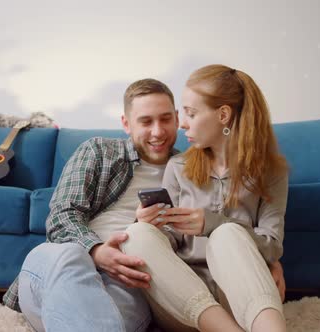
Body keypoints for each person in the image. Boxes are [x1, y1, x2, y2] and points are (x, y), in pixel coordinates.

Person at [3, 77, 286, 332]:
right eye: (146, 121)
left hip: (131, 283)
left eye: (166, 119)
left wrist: (262, 259)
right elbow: (61, 216)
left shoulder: (187, 166)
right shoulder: (100, 151)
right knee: (67, 257)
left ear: (177, 119)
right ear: (126, 124)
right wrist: (97, 251)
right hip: (70, 262)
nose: (157, 131)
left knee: (111, 302)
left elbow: (214, 241)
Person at [123, 65, 288, 332]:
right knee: (136, 233)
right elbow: (169, 242)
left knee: (227, 233)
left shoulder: (271, 172)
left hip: (241, 297)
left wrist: (213, 223)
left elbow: (272, 247)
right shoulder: (178, 167)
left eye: (190, 113)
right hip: (188, 304)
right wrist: (153, 225)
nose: (182, 123)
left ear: (223, 114)